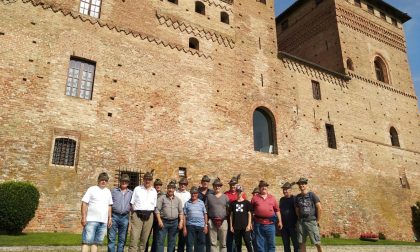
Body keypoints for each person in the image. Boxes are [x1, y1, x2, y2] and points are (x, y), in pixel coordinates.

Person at [81, 172, 113, 252]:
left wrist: (110, 218)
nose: (103, 182)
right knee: (86, 242)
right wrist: (84, 217)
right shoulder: (92, 189)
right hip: (91, 220)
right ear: (98, 180)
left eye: (105, 180)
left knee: (96, 243)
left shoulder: (108, 191)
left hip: (103, 221)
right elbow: (84, 203)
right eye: (102, 180)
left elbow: (109, 205)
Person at [128, 172, 157, 252]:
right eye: (146, 179)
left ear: (151, 181)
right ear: (143, 180)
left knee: (144, 241)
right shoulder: (137, 189)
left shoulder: (154, 191)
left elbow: (154, 205)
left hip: (149, 215)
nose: (147, 181)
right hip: (137, 215)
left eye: (149, 179)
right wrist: (133, 215)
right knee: (134, 239)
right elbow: (132, 203)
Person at [251, 180, 282, 252]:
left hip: (270, 224)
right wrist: (250, 223)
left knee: (271, 244)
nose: (264, 188)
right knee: (259, 245)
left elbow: (277, 210)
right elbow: (251, 211)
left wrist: (280, 221)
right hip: (258, 224)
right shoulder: (255, 198)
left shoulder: (272, 198)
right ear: (259, 188)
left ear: (267, 188)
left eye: (265, 186)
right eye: (262, 186)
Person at [295, 178, 323, 252]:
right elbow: (297, 210)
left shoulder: (312, 195)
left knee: (317, 242)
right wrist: (299, 219)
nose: (301, 185)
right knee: (301, 242)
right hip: (301, 222)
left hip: (311, 221)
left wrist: (317, 220)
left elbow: (319, 208)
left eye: (303, 184)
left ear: (306, 185)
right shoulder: (298, 197)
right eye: (300, 184)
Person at [155, 180, 184, 252]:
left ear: (174, 189)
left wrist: (181, 222)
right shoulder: (162, 198)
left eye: (172, 188)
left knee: (172, 242)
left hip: (174, 223)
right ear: (167, 189)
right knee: (160, 241)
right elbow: (157, 210)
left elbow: (181, 212)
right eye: (169, 188)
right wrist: (159, 220)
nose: (171, 190)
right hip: (163, 221)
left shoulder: (178, 200)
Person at [108, 174, 133, 252]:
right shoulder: (113, 191)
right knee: (111, 239)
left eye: (126, 181)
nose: (124, 182)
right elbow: (109, 204)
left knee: (122, 240)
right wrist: (110, 218)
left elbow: (133, 205)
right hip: (114, 216)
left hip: (125, 217)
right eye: (122, 181)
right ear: (120, 182)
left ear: (128, 183)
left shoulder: (131, 193)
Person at [207, 178, 230, 252]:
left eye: (219, 186)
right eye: (215, 186)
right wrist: (207, 221)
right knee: (213, 243)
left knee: (223, 244)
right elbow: (206, 209)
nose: (217, 187)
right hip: (212, 221)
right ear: (213, 186)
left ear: (221, 187)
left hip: (223, 221)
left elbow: (228, 209)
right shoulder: (209, 196)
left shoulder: (225, 197)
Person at [183, 186, 208, 252]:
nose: (193, 194)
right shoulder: (187, 203)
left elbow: (205, 214)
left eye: (195, 193)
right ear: (190, 194)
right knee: (189, 244)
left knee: (201, 243)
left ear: (197, 194)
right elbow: (184, 216)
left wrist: (206, 225)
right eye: (192, 193)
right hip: (190, 225)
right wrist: (184, 227)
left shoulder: (201, 203)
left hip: (201, 226)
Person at [224, 175, 246, 252]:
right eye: (231, 184)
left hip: (238, 219)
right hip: (229, 218)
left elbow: (244, 206)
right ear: (229, 185)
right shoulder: (226, 194)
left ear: (237, 185)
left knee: (238, 239)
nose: (233, 186)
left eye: (234, 184)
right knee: (229, 239)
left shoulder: (242, 194)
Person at [229, 184, 253, 252]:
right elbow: (231, 215)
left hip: (245, 227)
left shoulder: (247, 203)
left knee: (248, 243)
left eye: (240, 191)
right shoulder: (233, 203)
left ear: (242, 192)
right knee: (238, 244)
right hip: (236, 227)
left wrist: (249, 225)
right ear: (236, 192)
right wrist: (231, 226)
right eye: (237, 191)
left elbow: (249, 214)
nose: (239, 193)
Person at [145, 178, 164, 252]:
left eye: (159, 185)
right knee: (146, 235)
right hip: (149, 216)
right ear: (154, 185)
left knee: (156, 237)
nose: (158, 186)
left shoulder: (163, 195)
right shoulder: (151, 192)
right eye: (156, 185)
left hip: (157, 218)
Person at [279, 182, 299, 252]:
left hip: (293, 226)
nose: (285, 191)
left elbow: (298, 212)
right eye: (284, 189)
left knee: (296, 245)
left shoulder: (295, 199)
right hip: (284, 226)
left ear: (290, 190)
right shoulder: (282, 200)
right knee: (286, 245)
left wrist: (297, 223)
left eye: (286, 189)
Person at [175, 177, 191, 252]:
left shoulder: (188, 194)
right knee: (173, 235)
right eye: (181, 184)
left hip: (185, 216)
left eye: (184, 184)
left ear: (186, 185)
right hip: (175, 215)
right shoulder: (175, 193)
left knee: (183, 236)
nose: (183, 185)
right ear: (179, 184)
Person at [198, 175, 214, 252]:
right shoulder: (197, 192)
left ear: (208, 183)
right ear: (201, 182)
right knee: (200, 238)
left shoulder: (212, 192)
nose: (205, 182)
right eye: (204, 181)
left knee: (209, 237)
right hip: (199, 217)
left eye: (207, 181)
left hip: (209, 216)